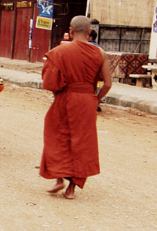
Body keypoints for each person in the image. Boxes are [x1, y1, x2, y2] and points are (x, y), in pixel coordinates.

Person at [39, 15, 112, 199]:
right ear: (89, 33)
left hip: (65, 97)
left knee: (56, 136)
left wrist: (59, 94)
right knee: (82, 142)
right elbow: (108, 84)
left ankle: (58, 178)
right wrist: (95, 99)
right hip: (87, 100)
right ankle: (71, 188)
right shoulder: (100, 53)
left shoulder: (59, 52)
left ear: (70, 31)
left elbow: (49, 81)